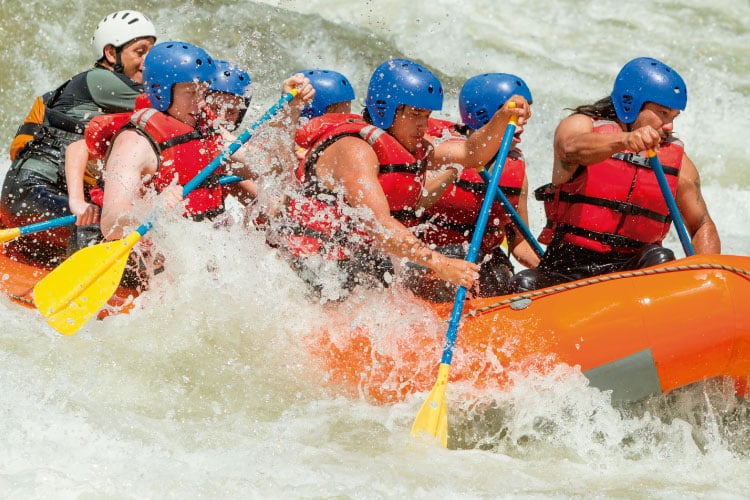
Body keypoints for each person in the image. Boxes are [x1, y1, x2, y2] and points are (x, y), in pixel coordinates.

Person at [277, 58, 530, 299]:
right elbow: (380, 226)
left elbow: (471, 154)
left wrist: (502, 118)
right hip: (314, 265)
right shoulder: (354, 151)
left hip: (360, 262)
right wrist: (440, 264)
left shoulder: (412, 147)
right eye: (416, 114)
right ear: (386, 110)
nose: (424, 125)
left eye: (427, 116)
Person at [511, 57, 720, 292]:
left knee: (660, 257)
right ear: (630, 104)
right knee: (523, 284)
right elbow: (570, 148)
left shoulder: (678, 161)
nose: (669, 126)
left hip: (629, 273)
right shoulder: (581, 124)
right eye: (662, 113)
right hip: (567, 266)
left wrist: (705, 278)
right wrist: (624, 140)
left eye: (673, 117)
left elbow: (701, 224)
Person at [99, 41, 313, 245]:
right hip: (161, 259)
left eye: (204, 91)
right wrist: (154, 210)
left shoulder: (207, 130)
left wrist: (291, 110)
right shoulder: (135, 143)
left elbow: (271, 166)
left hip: (210, 252)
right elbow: (111, 223)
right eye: (191, 92)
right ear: (160, 90)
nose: (202, 101)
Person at [1, 10, 156, 267]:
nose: (149, 61)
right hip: (31, 193)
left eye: (153, 52)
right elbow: (166, 105)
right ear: (110, 54)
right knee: (102, 226)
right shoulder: (100, 80)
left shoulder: (94, 89)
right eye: (140, 52)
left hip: (47, 199)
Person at [410, 73, 541, 301]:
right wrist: (457, 167)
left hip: (484, 265)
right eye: (515, 116)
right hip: (433, 260)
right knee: (459, 260)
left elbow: (519, 244)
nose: (523, 123)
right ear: (485, 115)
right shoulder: (439, 148)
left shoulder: (515, 167)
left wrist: (555, 271)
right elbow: (418, 202)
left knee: (510, 279)